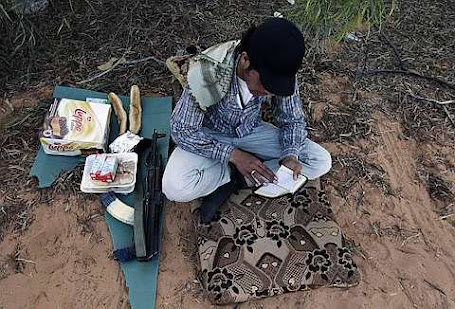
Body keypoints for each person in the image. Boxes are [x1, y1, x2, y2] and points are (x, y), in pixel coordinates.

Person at [162, 18, 331, 218]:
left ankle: (236, 179)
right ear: (245, 60)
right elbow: (182, 130)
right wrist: (233, 155)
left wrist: (290, 155)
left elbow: (292, 120)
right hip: (210, 134)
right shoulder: (207, 71)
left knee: (319, 160)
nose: (269, 90)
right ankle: (234, 170)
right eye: (265, 83)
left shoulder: (280, 71)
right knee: (174, 187)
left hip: (250, 131)